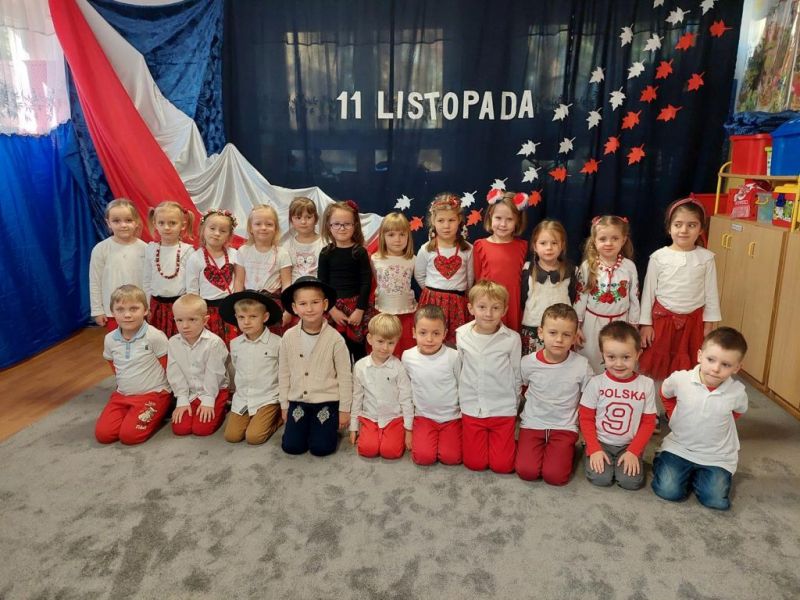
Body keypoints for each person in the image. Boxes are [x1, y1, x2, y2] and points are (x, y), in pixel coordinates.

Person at [651, 327, 748, 510]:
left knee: (715, 501)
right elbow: (665, 393)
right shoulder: (681, 379)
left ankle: (697, 475)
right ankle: (664, 460)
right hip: (679, 448)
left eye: (726, 365)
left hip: (716, 456)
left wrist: (714, 421)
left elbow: (737, 412)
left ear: (737, 368)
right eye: (711, 360)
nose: (716, 369)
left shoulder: (737, 392)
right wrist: (673, 414)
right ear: (699, 356)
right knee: (669, 491)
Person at [639, 198, 721, 380]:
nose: (684, 230)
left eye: (691, 225)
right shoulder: (658, 257)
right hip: (662, 321)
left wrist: (709, 325)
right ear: (669, 228)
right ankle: (659, 397)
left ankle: (682, 396)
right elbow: (648, 293)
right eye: (678, 224)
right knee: (659, 363)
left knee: (689, 367)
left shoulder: (707, 258)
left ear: (701, 229)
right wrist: (646, 324)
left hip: (694, 323)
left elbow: (711, 294)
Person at [516, 303, 593, 485]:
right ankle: (535, 449)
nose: (559, 339)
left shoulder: (581, 365)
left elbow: (590, 398)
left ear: (574, 337)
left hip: (564, 427)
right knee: (527, 472)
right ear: (541, 332)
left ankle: (565, 451)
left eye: (566, 335)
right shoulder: (527, 363)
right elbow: (521, 389)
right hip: (533, 424)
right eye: (552, 333)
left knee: (555, 476)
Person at [279, 276, 352, 456]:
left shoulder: (335, 339)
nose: (309, 309)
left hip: (326, 400)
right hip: (298, 400)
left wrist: (344, 409)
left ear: (325, 304)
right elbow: (284, 372)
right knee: (292, 447)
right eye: (303, 304)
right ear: (294, 308)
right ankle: (306, 427)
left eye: (315, 302)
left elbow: (345, 377)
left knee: (321, 448)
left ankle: (325, 428)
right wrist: (284, 405)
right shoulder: (288, 337)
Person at [579, 321, 657, 490]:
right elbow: (585, 418)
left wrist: (633, 451)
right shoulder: (596, 383)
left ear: (638, 354)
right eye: (611, 357)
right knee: (600, 478)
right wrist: (594, 448)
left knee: (631, 482)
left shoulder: (646, 385)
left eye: (626, 357)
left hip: (629, 444)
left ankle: (628, 457)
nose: (619, 364)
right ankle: (588, 451)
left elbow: (648, 423)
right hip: (601, 442)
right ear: (603, 355)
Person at [456, 281, 521, 473]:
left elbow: (516, 374)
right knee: (475, 464)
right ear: (471, 308)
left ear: (504, 310)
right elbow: (460, 369)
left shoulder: (512, 339)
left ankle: (509, 441)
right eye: (482, 307)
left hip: (502, 408)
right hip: (472, 407)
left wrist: (514, 404)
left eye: (495, 308)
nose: (488, 313)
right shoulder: (461, 335)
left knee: (503, 466)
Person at [95, 285, 172, 445]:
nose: (127, 315)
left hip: (153, 394)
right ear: (112, 312)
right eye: (120, 310)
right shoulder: (110, 339)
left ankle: (162, 409)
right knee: (104, 435)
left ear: (145, 310)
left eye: (134, 309)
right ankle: (131, 412)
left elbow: (169, 367)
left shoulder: (155, 336)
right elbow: (114, 365)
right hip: (123, 395)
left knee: (129, 436)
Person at [574, 215, 640, 374]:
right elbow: (580, 298)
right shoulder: (588, 266)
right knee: (591, 360)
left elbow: (634, 298)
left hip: (620, 323)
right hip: (592, 324)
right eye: (603, 239)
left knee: (618, 359)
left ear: (623, 240)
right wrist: (577, 325)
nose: (608, 243)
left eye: (615, 238)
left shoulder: (629, 267)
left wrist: (633, 325)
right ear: (594, 241)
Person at [219, 290, 284, 445]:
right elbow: (237, 367)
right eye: (241, 317)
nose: (246, 322)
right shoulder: (235, 344)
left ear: (265, 317)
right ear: (236, 317)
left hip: (268, 397)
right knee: (232, 436)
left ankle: (276, 417)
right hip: (244, 398)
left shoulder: (277, 343)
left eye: (253, 317)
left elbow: (284, 371)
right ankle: (255, 418)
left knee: (254, 437)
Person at [401, 304, 462, 466]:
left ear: (444, 334)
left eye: (436, 333)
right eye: (423, 333)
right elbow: (406, 393)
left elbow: (462, 387)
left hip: (451, 417)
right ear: (414, 332)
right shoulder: (407, 357)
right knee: (423, 458)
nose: (429, 339)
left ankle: (450, 438)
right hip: (424, 417)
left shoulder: (454, 356)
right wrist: (408, 429)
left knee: (451, 458)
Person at [349, 314, 414, 459]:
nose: (385, 348)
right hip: (370, 417)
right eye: (380, 341)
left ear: (397, 342)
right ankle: (373, 434)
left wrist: (408, 430)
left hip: (393, 418)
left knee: (391, 452)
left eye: (391, 343)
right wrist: (354, 427)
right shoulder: (360, 367)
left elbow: (406, 399)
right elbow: (357, 398)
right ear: (370, 339)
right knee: (367, 450)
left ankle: (386, 436)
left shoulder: (398, 367)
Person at [414, 193, 474, 345]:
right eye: (441, 220)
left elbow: (470, 279)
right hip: (431, 302)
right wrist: (433, 292)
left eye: (451, 220)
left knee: (455, 342)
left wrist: (455, 295)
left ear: (459, 220)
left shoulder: (467, 250)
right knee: (431, 339)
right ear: (433, 221)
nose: (446, 225)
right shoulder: (426, 249)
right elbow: (419, 275)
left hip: (457, 303)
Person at [167, 294, 230, 437]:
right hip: (190, 392)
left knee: (202, 429)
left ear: (205, 320)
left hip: (214, 390)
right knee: (181, 429)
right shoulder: (173, 342)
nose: (185, 326)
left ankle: (223, 407)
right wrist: (182, 399)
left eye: (192, 320)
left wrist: (208, 400)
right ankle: (194, 406)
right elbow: (174, 372)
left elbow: (214, 374)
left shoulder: (214, 343)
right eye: (179, 320)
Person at [318, 200, 373, 362]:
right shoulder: (325, 253)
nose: (342, 228)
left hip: (356, 308)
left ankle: (359, 377)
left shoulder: (360, 252)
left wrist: (360, 310)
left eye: (347, 224)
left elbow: (366, 282)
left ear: (355, 225)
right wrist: (332, 310)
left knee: (358, 351)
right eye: (337, 224)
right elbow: (322, 285)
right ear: (329, 226)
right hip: (333, 309)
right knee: (336, 352)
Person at [473, 191, 529, 331]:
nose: (503, 224)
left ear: (517, 221)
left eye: (509, 219)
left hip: (512, 303)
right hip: (488, 303)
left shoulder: (523, 246)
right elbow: (477, 278)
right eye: (498, 218)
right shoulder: (480, 245)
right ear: (490, 217)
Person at [519, 220, 578, 356]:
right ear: (534, 246)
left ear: (562, 245)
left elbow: (573, 297)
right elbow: (522, 299)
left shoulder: (571, 271)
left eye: (554, 243)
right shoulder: (527, 269)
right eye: (543, 243)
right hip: (533, 327)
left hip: (561, 331)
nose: (549, 248)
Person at [185, 208, 242, 345]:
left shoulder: (235, 254)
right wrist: (198, 314)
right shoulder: (195, 258)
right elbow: (192, 290)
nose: (216, 233)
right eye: (212, 228)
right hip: (207, 311)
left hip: (230, 309)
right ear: (203, 230)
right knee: (210, 345)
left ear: (229, 235)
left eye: (223, 231)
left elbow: (239, 281)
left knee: (232, 344)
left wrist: (238, 306)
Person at [89, 199, 147, 331]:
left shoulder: (145, 249)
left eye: (128, 220)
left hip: (139, 310)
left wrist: (148, 306)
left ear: (136, 222)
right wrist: (97, 310)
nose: (123, 225)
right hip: (114, 312)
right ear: (108, 223)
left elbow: (148, 282)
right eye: (116, 221)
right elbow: (95, 282)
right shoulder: (100, 249)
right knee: (117, 342)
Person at [234, 204, 293, 334]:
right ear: (250, 228)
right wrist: (237, 305)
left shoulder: (282, 253)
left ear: (276, 228)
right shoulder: (243, 251)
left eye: (269, 224)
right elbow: (239, 281)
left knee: (273, 339)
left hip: (273, 305)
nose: (263, 228)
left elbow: (287, 284)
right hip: (248, 305)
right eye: (258, 224)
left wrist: (288, 310)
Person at [142, 201, 195, 338]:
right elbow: (147, 280)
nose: (166, 227)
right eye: (161, 223)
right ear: (155, 224)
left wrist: (189, 307)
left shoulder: (187, 251)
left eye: (172, 223)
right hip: (156, 306)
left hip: (180, 306)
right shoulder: (151, 249)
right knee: (158, 340)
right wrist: (147, 306)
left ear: (182, 225)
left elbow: (191, 283)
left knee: (181, 340)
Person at [371, 212, 417, 357]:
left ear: (408, 236)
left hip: (406, 313)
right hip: (383, 313)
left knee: (405, 350)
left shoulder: (412, 259)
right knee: (384, 351)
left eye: (402, 234)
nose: (397, 239)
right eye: (391, 235)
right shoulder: (375, 259)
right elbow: (375, 282)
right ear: (383, 237)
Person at [284, 196, 325, 282]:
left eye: (308, 217)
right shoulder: (287, 246)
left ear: (316, 219)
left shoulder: (325, 243)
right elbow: (285, 277)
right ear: (291, 220)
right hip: (295, 288)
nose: (303, 222)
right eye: (298, 218)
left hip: (318, 287)